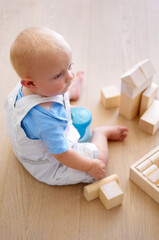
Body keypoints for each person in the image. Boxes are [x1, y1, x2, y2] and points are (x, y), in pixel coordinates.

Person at [4, 27, 129, 185]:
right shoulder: (47, 120)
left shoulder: (32, 86)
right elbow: (62, 155)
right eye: (58, 75)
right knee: (101, 160)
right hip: (48, 164)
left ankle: (70, 93)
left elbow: (50, 88)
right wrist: (90, 166)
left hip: (33, 140)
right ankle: (101, 134)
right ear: (30, 82)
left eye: (70, 66)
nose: (70, 76)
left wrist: (60, 81)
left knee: (57, 90)